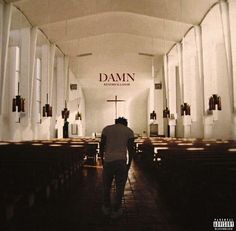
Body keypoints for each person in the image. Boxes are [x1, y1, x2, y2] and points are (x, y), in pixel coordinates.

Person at [100, 117, 135, 219]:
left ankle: (106, 207)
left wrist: (103, 160)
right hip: (121, 161)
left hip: (108, 160)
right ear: (125, 123)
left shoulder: (106, 129)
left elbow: (102, 146)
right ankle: (116, 209)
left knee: (106, 186)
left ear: (116, 122)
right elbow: (131, 149)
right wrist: (129, 164)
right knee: (120, 187)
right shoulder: (128, 131)